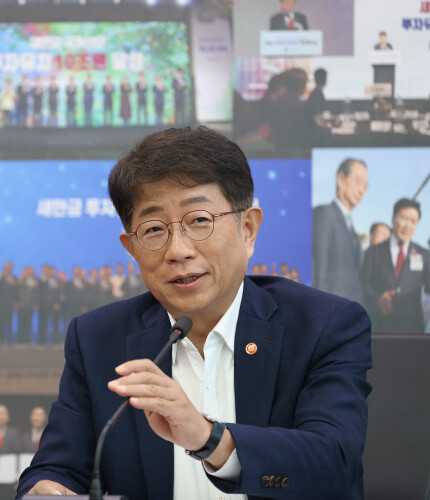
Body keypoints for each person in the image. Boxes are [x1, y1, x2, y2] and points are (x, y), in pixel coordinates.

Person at [18, 126, 372, 498]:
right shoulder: (98, 339)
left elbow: (334, 463)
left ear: (248, 229)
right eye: (154, 229)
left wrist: (207, 438)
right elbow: (57, 468)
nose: (178, 250)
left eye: (199, 220)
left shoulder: (323, 326)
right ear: (132, 248)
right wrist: (48, 489)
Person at [361, 198, 430, 334]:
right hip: (379, 329)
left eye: (413, 221)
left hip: (412, 330)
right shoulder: (373, 253)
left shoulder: (423, 254)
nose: (408, 225)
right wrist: (377, 299)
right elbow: (363, 286)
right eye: (404, 219)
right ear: (393, 218)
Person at [313, 158, 368, 304]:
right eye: (358, 182)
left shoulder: (351, 227)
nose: (362, 190)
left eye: (365, 186)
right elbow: (320, 270)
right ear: (341, 179)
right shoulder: (324, 214)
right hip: (330, 309)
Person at [0, 260, 19, 344]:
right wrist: (1, 276)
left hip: (11, 303)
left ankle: (9, 340)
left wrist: (16, 302)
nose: (8, 268)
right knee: (0, 321)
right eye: (7, 267)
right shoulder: (1, 277)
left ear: (12, 268)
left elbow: (16, 291)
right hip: (1, 303)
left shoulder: (15, 278)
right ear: (5, 267)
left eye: (10, 267)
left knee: (9, 321)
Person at [17, 265, 38, 344]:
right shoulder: (21, 280)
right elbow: (17, 292)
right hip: (22, 305)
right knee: (21, 323)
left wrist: (35, 304)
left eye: (31, 271)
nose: (30, 272)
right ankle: (20, 340)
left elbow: (37, 294)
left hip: (31, 306)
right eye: (29, 271)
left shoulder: (35, 281)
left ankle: (28, 340)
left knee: (29, 323)